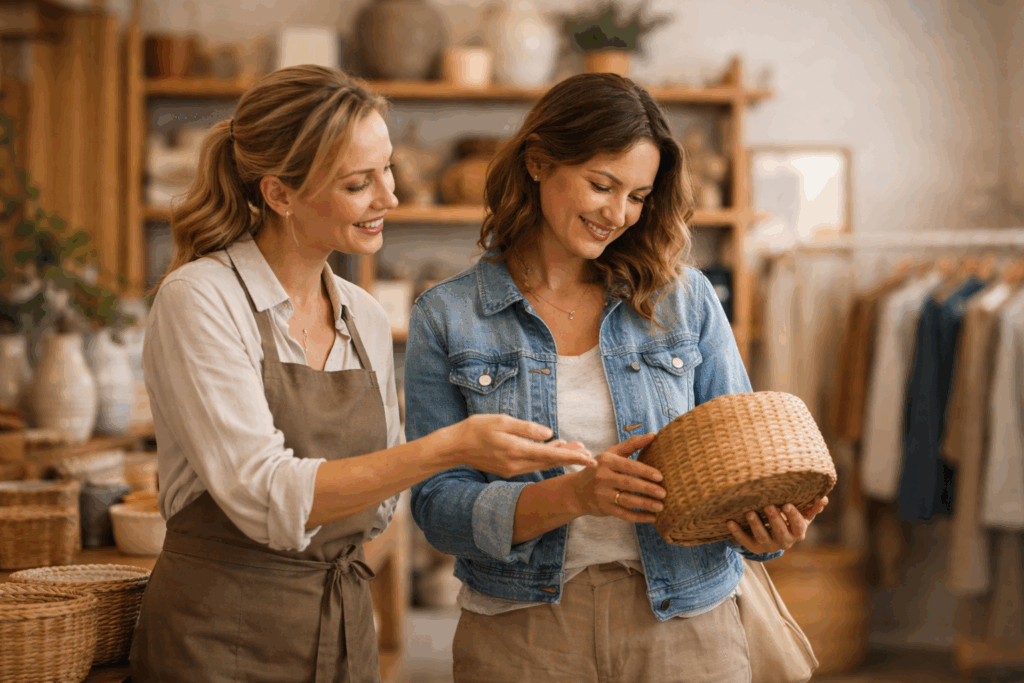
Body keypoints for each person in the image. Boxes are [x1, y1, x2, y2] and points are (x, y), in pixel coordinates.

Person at [128, 65, 595, 683]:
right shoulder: (202, 298)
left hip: (341, 629)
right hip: (215, 636)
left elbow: (376, 513)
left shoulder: (363, 313)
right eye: (358, 183)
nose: (390, 197)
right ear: (280, 194)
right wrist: (445, 448)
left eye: (388, 169)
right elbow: (263, 494)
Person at [403, 72, 829, 683]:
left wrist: (768, 529)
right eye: (602, 185)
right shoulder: (448, 315)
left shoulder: (685, 300)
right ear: (538, 161)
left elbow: (742, 461)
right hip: (522, 631)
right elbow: (438, 507)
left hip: (685, 622)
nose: (618, 214)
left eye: (637, 196)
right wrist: (573, 496)